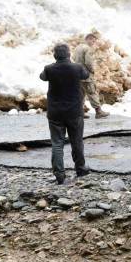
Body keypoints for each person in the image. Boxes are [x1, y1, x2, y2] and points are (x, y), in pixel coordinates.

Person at [39, 43, 91, 184]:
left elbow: (42, 77)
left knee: (57, 144)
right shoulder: (77, 68)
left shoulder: (49, 69)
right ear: (69, 54)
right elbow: (86, 75)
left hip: (55, 113)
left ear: (55, 55)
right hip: (74, 112)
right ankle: (80, 169)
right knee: (77, 141)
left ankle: (59, 175)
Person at [73, 33, 109, 119]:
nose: (94, 42)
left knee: (81, 94)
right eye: (93, 40)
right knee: (92, 92)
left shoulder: (78, 47)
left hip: (77, 74)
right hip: (86, 75)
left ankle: (79, 113)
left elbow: (74, 58)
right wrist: (92, 70)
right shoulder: (88, 48)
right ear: (88, 39)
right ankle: (98, 112)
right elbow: (88, 62)